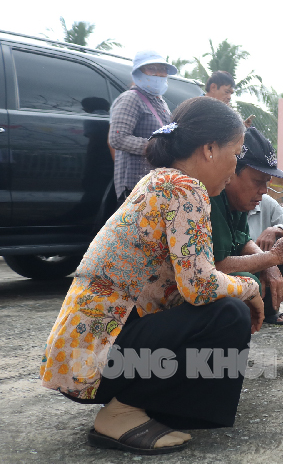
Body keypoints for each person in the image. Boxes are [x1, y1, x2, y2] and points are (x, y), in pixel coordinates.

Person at [40, 97, 267, 455]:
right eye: (236, 153)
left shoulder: (159, 181)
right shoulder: (184, 189)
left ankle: (149, 407)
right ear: (209, 149)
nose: (235, 164)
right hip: (102, 363)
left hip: (87, 358)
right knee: (228, 312)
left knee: (223, 304)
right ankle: (122, 411)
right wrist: (251, 288)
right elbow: (201, 284)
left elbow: (188, 281)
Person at [210, 127, 283, 325]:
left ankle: (265, 309)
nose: (263, 191)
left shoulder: (237, 201)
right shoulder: (212, 197)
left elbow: (242, 239)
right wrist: (272, 257)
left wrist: (270, 265)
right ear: (230, 172)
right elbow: (213, 266)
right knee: (247, 282)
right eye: (257, 181)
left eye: (267, 183)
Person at [109, 50, 177, 206]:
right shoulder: (131, 98)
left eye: (162, 69)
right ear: (138, 73)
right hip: (135, 184)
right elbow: (117, 137)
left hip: (155, 183)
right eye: (152, 69)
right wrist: (155, 147)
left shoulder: (160, 102)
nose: (159, 74)